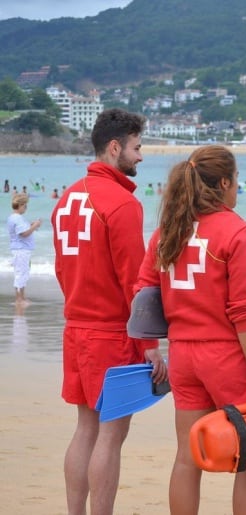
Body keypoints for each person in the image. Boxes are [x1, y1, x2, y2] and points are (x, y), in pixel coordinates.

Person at [135, 145, 246, 514]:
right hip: (225, 356)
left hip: (182, 356)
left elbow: (143, 294)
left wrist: (151, 345)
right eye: (236, 180)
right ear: (225, 182)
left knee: (187, 455)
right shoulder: (237, 231)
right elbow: (243, 311)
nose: (237, 188)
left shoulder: (168, 230)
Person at [50, 108, 167, 515]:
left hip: (75, 327)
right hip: (110, 335)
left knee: (85, 428)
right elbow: (135, 282)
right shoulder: (121, 204)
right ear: (114, 147)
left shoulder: (66, 199)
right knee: (111, 435)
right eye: (137, 148)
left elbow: (62, 269)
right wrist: (150, 343)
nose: (141, 156)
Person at [7, 193, 42, 305]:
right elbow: (23, 234)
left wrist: (31, 225)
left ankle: (21, 297)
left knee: (23, 272)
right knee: (21, 273)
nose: (26, 208)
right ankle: (19, 298)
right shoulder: (17, 218)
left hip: (21, 249)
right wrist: (34, 226)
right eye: (25, 205)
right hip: (21, 250)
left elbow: (22, 231)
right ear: (21, 205)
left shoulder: (14, 218)